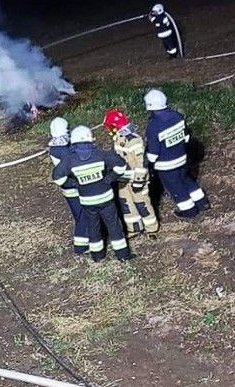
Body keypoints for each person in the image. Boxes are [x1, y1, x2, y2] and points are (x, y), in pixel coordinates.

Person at [52, 126, 133, 261]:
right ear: (90, 138)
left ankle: (97, 256)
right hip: (106, 198)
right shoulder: (101, 153)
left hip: (87, 202)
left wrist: (75, 183)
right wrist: (110, 178)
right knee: (114, 226)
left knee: (93, 228)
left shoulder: (69, 160)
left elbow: (57, 178)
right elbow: (121, 165)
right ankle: (123, 255)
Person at [144, 89, 209, 219]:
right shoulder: (177, 116)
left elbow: (153, 154)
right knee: (187, 180)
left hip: (166, 166)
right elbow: (186, 138)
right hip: (182, 158)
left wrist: (147, 163)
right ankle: (202, 202)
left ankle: (189, 211)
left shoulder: (153, 126)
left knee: (176, 188)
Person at [103, 109, 159, 238]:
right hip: (123, 180)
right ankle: (134, 228)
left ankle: (151, 228)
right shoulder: (118, 138)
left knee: (142, 203)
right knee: (126, 204)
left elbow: (141, 163)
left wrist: (139, 180)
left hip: (136, 180)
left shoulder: (134, 141)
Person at [47, 117, 83, 230]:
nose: (69, 130)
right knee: (82, 216)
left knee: (80, 214)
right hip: (73, 185)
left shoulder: (55, 147)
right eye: (67, 129)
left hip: (68, 186)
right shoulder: (61, 149)